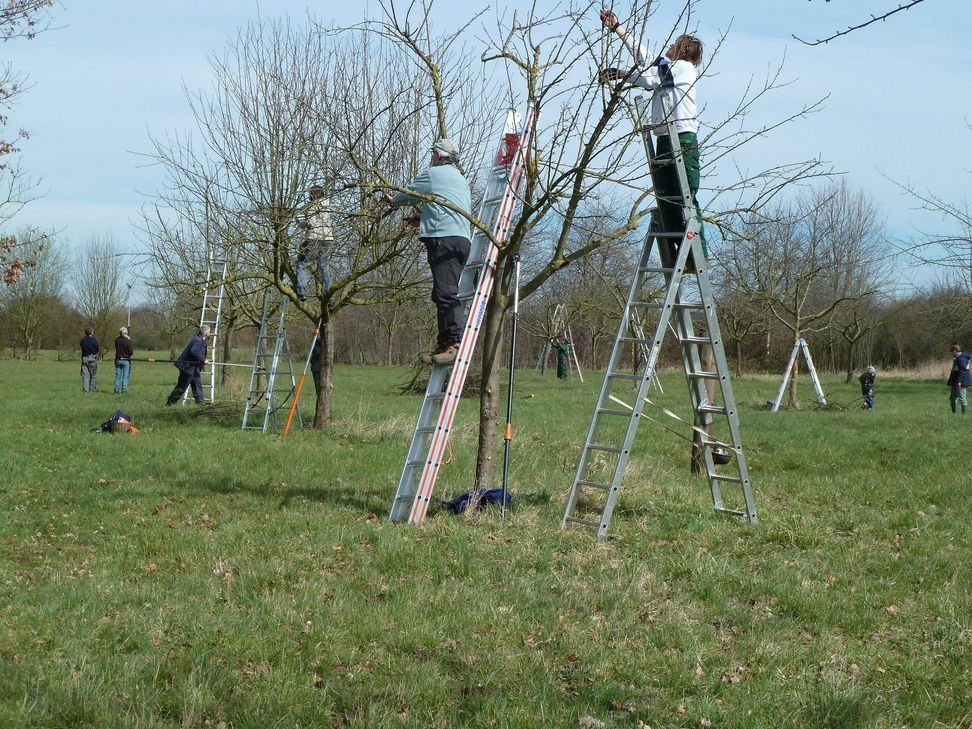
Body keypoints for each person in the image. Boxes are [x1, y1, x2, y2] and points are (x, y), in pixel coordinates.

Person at [599, 9, 707, 256]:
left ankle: (697, 254)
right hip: (666, 138)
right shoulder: (671, 68)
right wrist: (618, 29)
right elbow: (646, 58)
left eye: (674, 44)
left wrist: (622, 75)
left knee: (685, 195)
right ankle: (678, 251)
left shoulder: (684, 68)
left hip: (682, 138)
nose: (669, 45)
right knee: (665, 196)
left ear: (682, 51)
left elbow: (650, 78)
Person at [389, 138, 472, 366]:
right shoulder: (460, 178)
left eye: (433, 153)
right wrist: (423, 217)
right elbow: (446, 207)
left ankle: (452, 344)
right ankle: (445, 342)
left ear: (438, 155)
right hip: (461, 239)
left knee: (446, 292)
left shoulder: (433, 174)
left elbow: (407, 194)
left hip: (443, 239)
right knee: (443, 291)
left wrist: (392, 200)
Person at [294, 185, 335, 302]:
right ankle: (327, 294)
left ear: (312, 195)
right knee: (324, 266)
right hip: (328, 238)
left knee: (302, 264)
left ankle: (301, 292)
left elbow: (310, 223)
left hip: (314, 238)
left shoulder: (312, 206)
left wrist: (299, 223)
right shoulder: (327, 204)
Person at [165, 325, 211, 405]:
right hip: (187, 368)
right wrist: (203, 359)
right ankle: (169, 403)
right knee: (181, 387)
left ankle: (200, 403)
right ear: (206, 333)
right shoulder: (198, 340)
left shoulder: (200, 340)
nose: (210, 334)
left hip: (194, 368)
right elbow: (194, 351)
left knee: (197, 385)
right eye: (209, 332)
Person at [947, 343, 969, 415]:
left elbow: (963, 371)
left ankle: (964, 416)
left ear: (955, 351)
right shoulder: (957, 358)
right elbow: (955, 371)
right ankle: (954, 414)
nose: (952, 354)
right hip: (955, 382)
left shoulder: (962, 359)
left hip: (961, 382)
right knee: (952, 398)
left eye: (952, 352)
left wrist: (959, 382)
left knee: (962, 399)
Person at [113, 326, 134, 394]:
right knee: (125, 376)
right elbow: (131, 352)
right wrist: (129, 340)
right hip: (126, 360)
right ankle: (124, 390)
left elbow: (117, 339)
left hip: (118, 360)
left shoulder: (116, 340)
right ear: (126, 333)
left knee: (117, 376)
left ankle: (116, 389)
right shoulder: (127, 341)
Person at [80, 327, 100, 393]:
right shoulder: (94, 340)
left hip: (84, 358)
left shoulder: (82, 340)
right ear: (91, 332)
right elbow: (97, 349)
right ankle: (92, 390)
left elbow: (82, 347)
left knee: (85, 376)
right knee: (93, 375)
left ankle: (85, 390)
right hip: (92, 358)